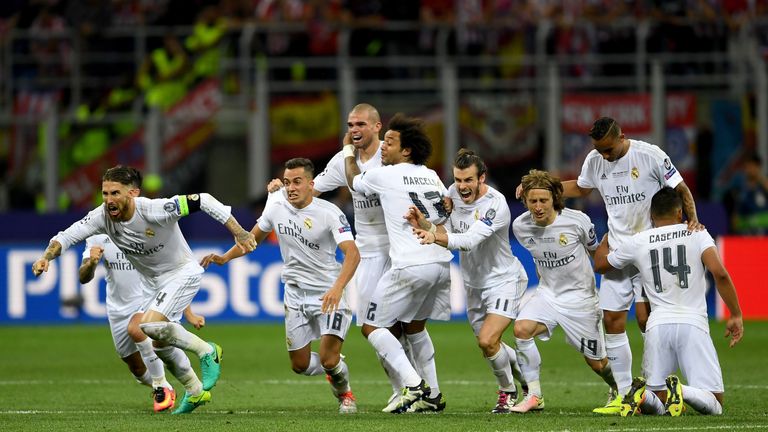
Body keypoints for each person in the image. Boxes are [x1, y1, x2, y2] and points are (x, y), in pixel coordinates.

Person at [32, 165, 257, 414]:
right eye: (105, 194)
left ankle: (208, 351)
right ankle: (195, 392)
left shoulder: (155, 210)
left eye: (115, 193)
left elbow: (202, 200)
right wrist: (46, 258)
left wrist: (240, 232)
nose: (109, 200)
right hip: (153, 283)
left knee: (146, 327)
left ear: (133, 193)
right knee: (160, 345)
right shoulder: (101, 217)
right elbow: (67, 236)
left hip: (181, 272)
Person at [520, 116, 702, 414]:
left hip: (647, 251)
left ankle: (660, 388)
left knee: (647, 321)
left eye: (608, 149)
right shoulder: (594, 160)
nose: (603, 155)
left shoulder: (650, 155)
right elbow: (581, 188)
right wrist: (535, 189)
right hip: (618, 250)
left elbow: (680, 187)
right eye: (598, 149)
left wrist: (691, 217)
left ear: (621, 137)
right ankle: (625, 395)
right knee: (612, 320)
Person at [201, 158, 361, 414]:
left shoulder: (330, 213)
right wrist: (225, 257)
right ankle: (334, 366)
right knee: (299, 365)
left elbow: (352, 254)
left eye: (297, 182)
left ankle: (345, 394)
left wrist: (338, 288)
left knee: (328, 359)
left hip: (328, 293)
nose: (291, 187)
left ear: (311, 184)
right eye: (287, 182)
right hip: (294, 294)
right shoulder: (276, 208)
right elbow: (251, 239)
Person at [593, 187, 743, 417]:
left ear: (651, 216)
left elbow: (602, 265)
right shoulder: (697, 232)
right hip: (693, 324)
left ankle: (640, 394)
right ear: (680, 212)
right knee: (715, 402)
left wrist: (606, 239)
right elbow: (719, 273)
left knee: (658, 402)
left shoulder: (639, 240)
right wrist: (735, 314)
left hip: (657, 326)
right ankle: (680, 389)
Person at [308, 103, 422, 405]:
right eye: (350, 125)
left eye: (360, 124)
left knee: (406, 327)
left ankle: (417, 389)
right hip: (370, 253)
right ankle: (406, 390)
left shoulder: (390, 158)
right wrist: (281, 191)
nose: (354, 130)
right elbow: (311, 191)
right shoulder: (341, 162)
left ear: (377, 127)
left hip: (402, 250)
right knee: (377, 327)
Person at [344, 113, 453, 414]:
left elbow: (354, 181)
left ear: (406, 150)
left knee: (371, 326)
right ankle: (433, 394)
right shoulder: (431, 175)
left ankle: (414, 385)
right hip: (440, 262)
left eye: (389, 142)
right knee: (414, 327)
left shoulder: (386, 174)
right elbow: (445, 213)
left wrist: (347, 153)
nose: (383, 147)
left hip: (410, 264)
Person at [406, 149, 529, 413]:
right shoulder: (452, 194)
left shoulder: (495, 204)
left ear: (481, 178)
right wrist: (425, 224)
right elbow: (446, 230)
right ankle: (527, 379)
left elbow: (469, 241)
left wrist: (434, 237)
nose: (462, 187)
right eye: (458, 180)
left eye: (468, 181)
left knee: (487, 340)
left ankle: (507, 391)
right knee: (489, 345)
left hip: (504, 279)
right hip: (473, 283)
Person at [510, 169, 618, 413]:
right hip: (548, 295)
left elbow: (596, 254)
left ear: (554, 200)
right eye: (533, 201)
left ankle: (621, 388)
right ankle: (535, 395)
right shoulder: (521, 226)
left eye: (543, 201)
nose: (538, 207)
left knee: (598, 364)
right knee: (521, 329)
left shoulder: (577, 221)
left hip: (581, 299)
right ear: (525, 200)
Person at [79, 234, 206, 412]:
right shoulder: (97, 234)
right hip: (117, 309)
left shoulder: (143, 228)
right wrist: (91, 263)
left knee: (136, 329)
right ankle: (166, 386)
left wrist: (189, 312)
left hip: (147, 300)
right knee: (136, 368)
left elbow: (174, 275)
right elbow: (83, 278)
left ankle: (161, 386)